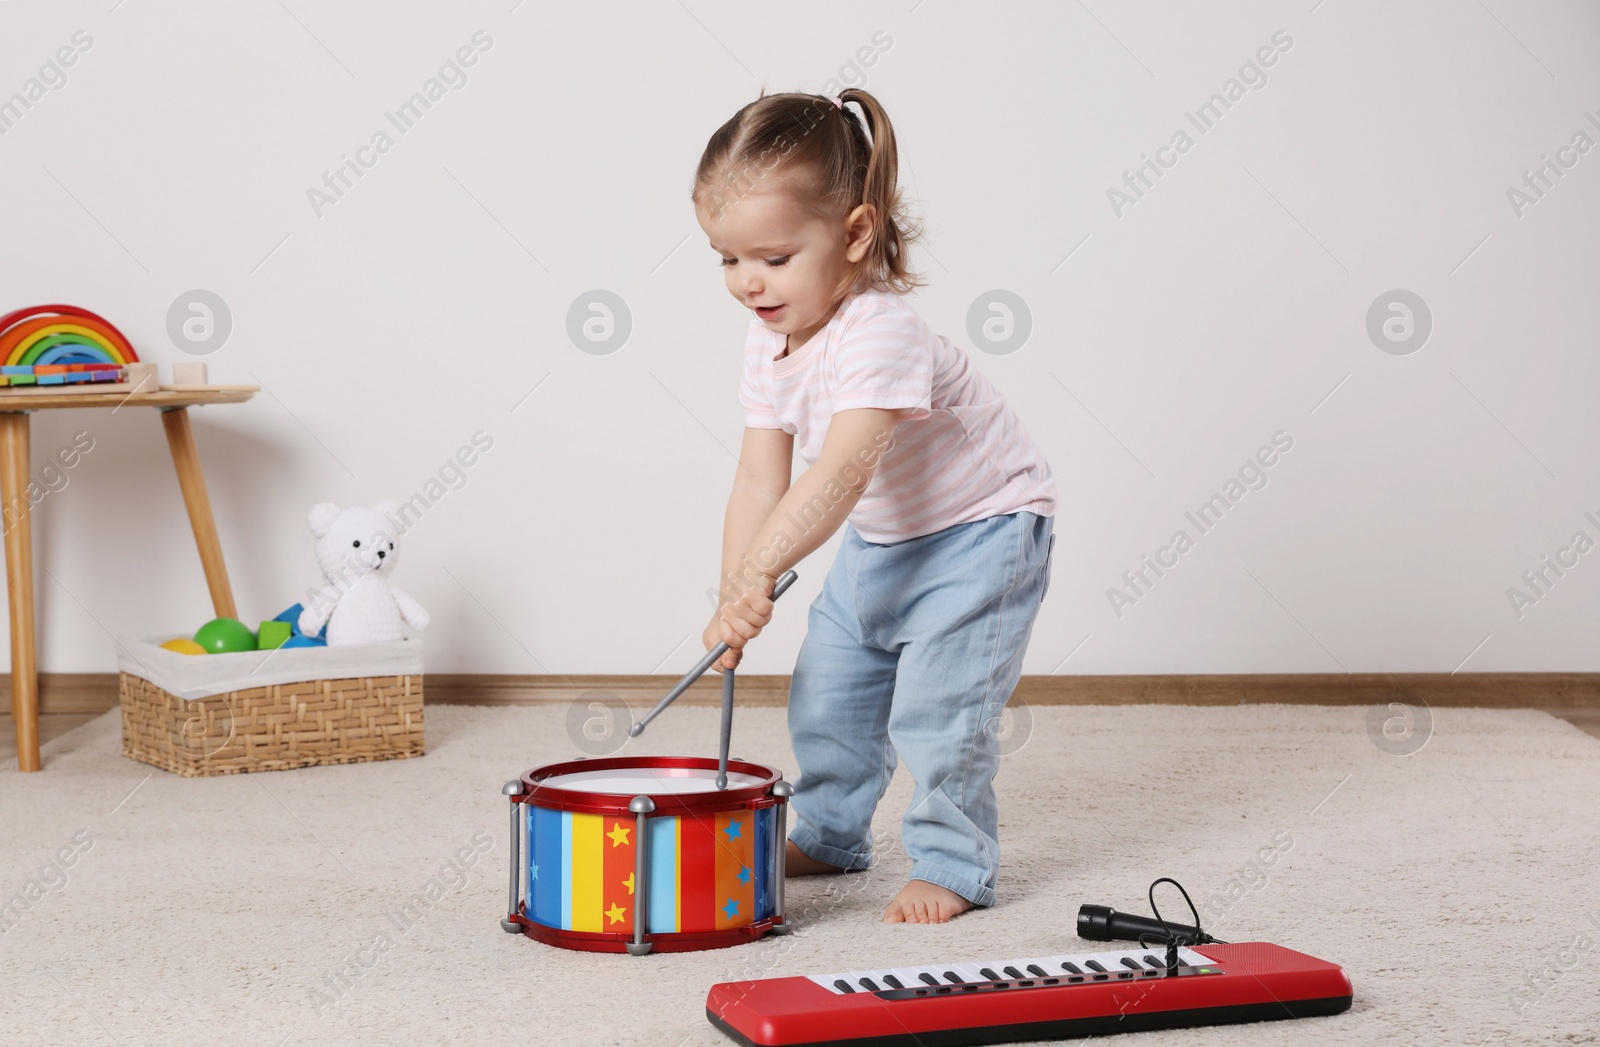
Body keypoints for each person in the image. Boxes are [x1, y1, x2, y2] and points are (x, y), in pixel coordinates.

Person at [692, 87, 1057, 924]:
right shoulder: (767, 340)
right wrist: (731, 590)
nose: (749, 282)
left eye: (774, 258)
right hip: (886, 537)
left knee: (939, 707)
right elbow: (760, 480)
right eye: (726, 258)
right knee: (828, 690)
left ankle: (954, 862)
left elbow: (842, 473)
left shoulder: (881, 329)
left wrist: (762, 568)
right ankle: (829, 830)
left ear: (855, 234)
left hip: (983, 529)